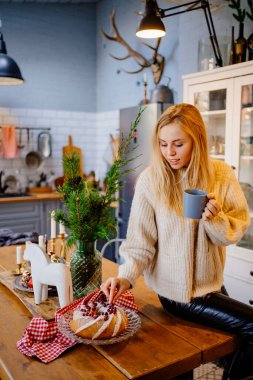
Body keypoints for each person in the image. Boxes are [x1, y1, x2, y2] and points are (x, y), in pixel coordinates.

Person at [101, 103, 253, 380]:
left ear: (198, 139)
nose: (169, 153)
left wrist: (214, 219)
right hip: (177, 294)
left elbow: (233, 234)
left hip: (211, 285)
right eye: (163, 144)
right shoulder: (151, 180)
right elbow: (140, 243)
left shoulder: (222, 175)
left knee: (239, 343)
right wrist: (124, 278)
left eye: (178, 144)